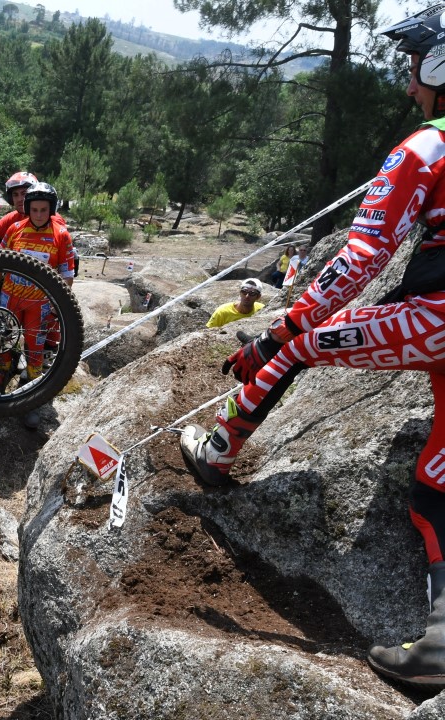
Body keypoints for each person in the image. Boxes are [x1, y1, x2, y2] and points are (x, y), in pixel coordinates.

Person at [180, 6, 445, 689]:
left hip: (440, 321)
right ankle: (441, 645)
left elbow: (359, 257)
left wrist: (281, 329)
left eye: (413, 65)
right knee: (436, 483)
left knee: (300, 350)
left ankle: (218, 453)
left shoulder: (424, 147)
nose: (408, 82)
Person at [0, 182, 75, 392]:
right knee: (3, 338)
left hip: (39, 304)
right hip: (10, 298)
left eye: (44, 210)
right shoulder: (15, 229)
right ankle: (1, 375)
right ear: (28, 208)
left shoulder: (61, 234)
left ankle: (31, 388)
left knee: (35, 345)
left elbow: (67, 275)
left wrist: (59, 305)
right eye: (34, 210)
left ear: (52, 209)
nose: (38, 215)